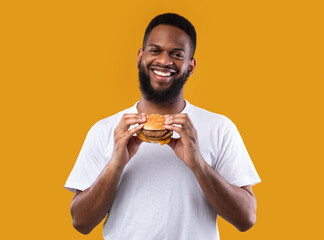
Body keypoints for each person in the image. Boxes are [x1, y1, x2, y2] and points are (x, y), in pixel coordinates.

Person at [65, 13, 261, 240]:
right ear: (140, 57)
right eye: (155, 50)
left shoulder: (220, 128)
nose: (165, 61)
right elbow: (81, 222)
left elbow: (246, 218)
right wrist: (116, 164)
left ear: (191, 65)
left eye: (177, 54)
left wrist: (198, 164)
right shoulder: (105, 130)